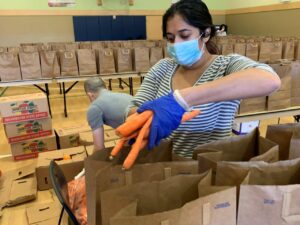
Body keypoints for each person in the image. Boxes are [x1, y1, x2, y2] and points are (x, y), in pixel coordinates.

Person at [127, 0, 281, 158]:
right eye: (171, 38)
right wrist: (145, 119)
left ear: (206, 34)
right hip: (164, 167)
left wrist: (180, 100)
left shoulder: (225, 66)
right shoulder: (163, 67)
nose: (176, 44)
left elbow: (270, 80)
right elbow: (134, 109)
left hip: (209, 168)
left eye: (185, 35)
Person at [84, 77, 133, 152]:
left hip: (141, 137)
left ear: (90, 95)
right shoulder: (125, 95)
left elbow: (99, 147)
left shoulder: (94, 108)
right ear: (105, 87)